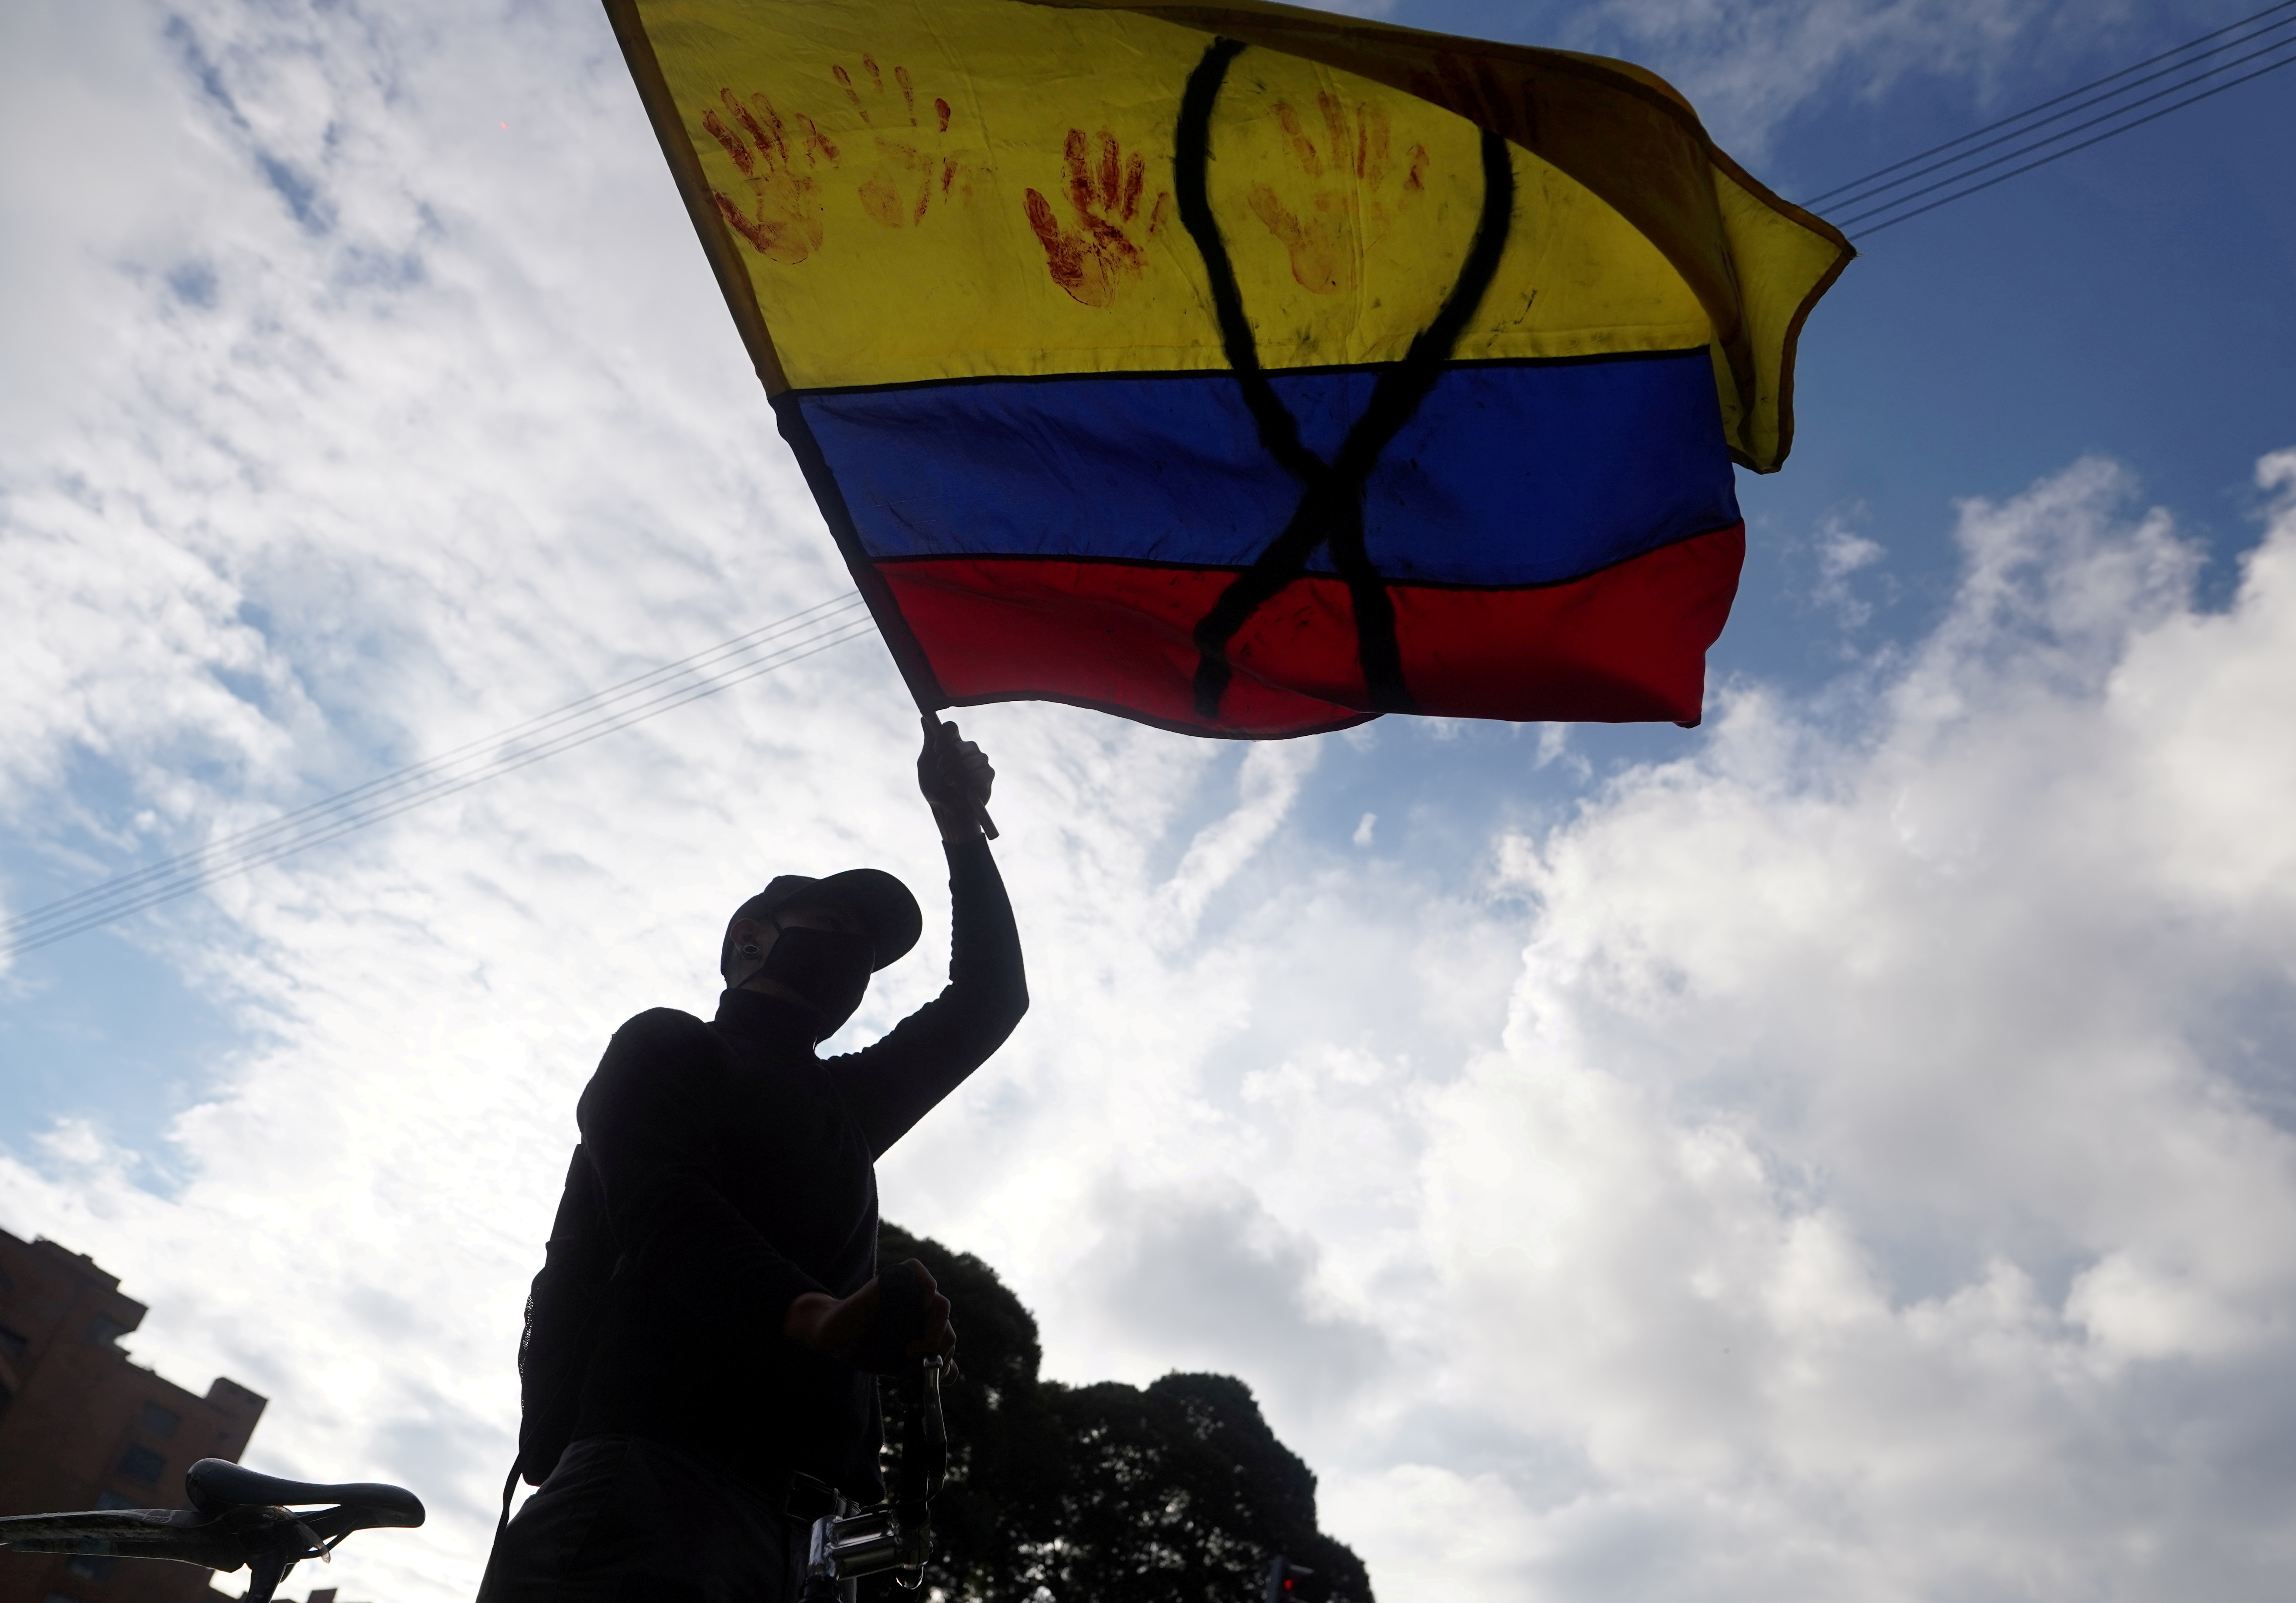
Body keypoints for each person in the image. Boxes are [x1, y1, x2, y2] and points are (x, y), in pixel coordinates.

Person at [479, 720, 1027, 1602]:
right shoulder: (668, 1046)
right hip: (647, 1493)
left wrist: (959, 826)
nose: (854, 955)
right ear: (750, 940)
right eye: (833, 924)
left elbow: (989, 1000)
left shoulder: (847, 1104)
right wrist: (813, 1314)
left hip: (810, 1545)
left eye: (868, 951)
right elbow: (665, 1207)